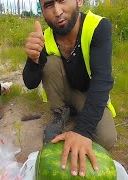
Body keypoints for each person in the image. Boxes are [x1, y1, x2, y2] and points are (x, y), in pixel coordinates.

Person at [23, 0, 117, 177]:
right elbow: (30, 83)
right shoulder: (45, 37)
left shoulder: (98, 27)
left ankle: (78, 114)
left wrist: (82, 131)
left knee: (106, 139)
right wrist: (32, 59)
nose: (57, 11)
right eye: (49, 5)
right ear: (42, 11)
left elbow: (102, 80)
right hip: (66, 91)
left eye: (62, 1)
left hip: (89, 93)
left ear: (79, 1)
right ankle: (61, 112)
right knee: (50, 63)